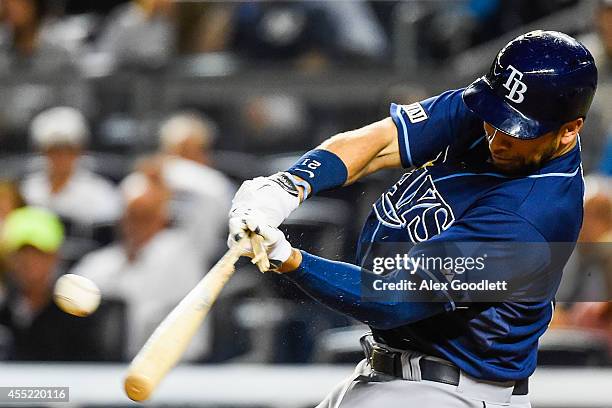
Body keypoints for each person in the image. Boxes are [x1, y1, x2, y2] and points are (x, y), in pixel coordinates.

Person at [227, 31, 597, 407]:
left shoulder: (532, 217)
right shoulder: (495, 109)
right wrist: (286, 187)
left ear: (570, 130)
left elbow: (392, 298)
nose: (497, 138)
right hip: (392, 376)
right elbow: (379, 144)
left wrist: (289, 259)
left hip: (447, 390)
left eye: (517, 132)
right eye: (495, 119)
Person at [70, 171, 208, 360]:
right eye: (131, 215)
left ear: (162, 218)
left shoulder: (182, 252)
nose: (136, 224)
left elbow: (214, 198)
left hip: (172, 368)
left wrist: (172, 167)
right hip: (106, 368)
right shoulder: (101, 263)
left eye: (146, 215)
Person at [0, 207, 108, 361]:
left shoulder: (77, 316)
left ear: (55, 257)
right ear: (9, 259)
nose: (29, 262)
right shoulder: (4, 309)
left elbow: (91, 369)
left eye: (39, 253)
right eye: (21, 253)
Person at [20, 107, 122, 227]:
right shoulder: (28, 190)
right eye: (53, 150)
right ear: (42, 152)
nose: (61, 157)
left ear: (79, 150)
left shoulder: (100, 193)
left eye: (68, 150)